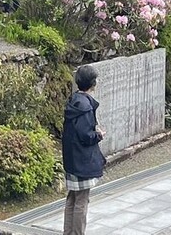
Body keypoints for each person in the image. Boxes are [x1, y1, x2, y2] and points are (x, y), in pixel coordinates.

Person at [61, 64, 105, 235]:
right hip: (82, 160)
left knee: (72, 197)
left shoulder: (73, 101)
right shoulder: (85, 107)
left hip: (71, 158)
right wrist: (99, 135)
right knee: (82, 200)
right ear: (93, 83)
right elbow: (86, 136)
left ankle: (68, 232)